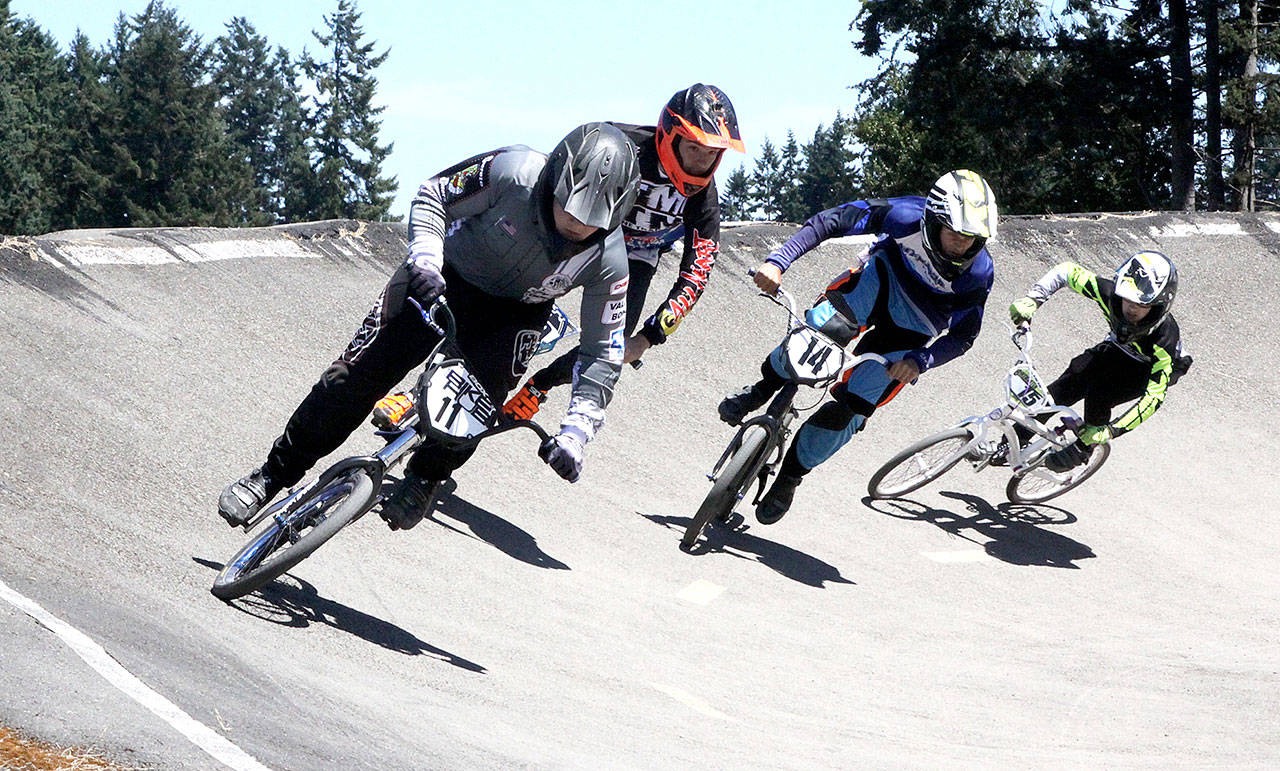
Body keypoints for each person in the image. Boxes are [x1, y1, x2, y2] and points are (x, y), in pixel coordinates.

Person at [218, 122, 641, 532]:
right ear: (552, 181)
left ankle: (426, 477)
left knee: (476, 408)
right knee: (353, 378)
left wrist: (578, 431)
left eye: (593, 220)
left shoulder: (610, 261)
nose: (577, 225)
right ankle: (274, 473)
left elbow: (603, 352)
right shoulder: (513, 172)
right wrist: (425, 257)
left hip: (514, 315)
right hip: (441, 275)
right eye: (568, 206)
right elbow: (434, 194)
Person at [369, 83, 745, 428]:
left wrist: (647, 338)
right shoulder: (622, 144)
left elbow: (696, 276)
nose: (700, 163)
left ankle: (540, 385)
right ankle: (416, 394)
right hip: (578, 238)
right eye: (694, 149)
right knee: (494, 312)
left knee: (614, 348)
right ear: (669, 135)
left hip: (635, 258)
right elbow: (559, 172)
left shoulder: (705, 203)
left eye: (712, 154)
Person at [718, 170, 999, 524]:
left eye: (972, 239)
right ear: (932, 221)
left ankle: (790, 477)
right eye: (955, 234)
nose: (962, 246)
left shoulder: (978, 273)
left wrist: (920, 361)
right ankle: (761, 389)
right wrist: (778, 262)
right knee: (822, 330)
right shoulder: (904, 216)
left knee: (853, 408)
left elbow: (963, 337)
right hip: (876, 281)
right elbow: (831, 220)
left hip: (913, 328)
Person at [1006, 250, 1191, 471]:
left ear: (1159, 307)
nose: (1131, 309)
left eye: (1142, 305)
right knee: (1071, 379)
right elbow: (1066, 271)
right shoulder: (1110, 295)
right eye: (1127, 299)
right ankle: (1013, 440)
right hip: (1120, 347)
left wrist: (1110, 431)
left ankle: (1085, 446)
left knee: (1101, 394)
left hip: (1148, 367)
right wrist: (1033, 299)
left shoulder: (1164, 341)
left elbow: (1153, 399)